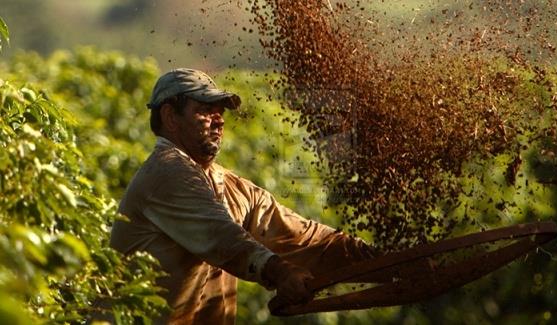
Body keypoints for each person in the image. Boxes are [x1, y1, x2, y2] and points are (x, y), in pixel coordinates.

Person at [110, 68, 376, 324]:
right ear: (170, 116)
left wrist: (380, 262)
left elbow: (299, 237)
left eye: (220, 111)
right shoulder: (165, 171)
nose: (219, 119)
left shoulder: (227, 184)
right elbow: (222, 237)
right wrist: (280, 272)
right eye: (204, 110)